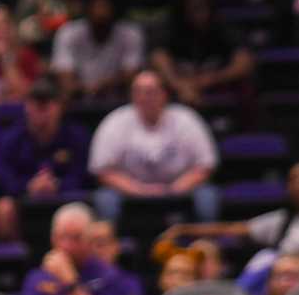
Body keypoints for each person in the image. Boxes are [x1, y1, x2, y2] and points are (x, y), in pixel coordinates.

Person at [162, 159, 299, 282]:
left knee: (267, 260)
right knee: (264, 259)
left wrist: (283, 267)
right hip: (291, 281)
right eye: (293, 180)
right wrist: (184, 229)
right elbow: (233, 229)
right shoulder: (284, 219)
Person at [89, 70, 221, 223]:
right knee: (105, 198)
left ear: (164, 94)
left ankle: (204, 240)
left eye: (150, 92)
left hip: (180, 188)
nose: (143, 97)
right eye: (137, 91)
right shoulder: (115, 122)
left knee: (207, 195)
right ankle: (112, 243)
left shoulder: (187, 120)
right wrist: (139, 190)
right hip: (129, 191)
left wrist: (174, 189)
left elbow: (205, 165)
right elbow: (103, 171)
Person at [0, 75, 90, 243]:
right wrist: (28, 186)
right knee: (4, 207)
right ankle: (13, 261)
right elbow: (1, 176)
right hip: (24, 200)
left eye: (47, 106)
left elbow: (83, 174)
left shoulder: (76, 136)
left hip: (66, 198)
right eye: (36, 106)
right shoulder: (12, 138)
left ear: (59, 107)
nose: (41, 113)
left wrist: (57, 185)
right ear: (27, 107)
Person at [150, 0, 253, 108]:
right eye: (194, 9)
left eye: (203, 8)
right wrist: (179, 85)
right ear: (184, 10)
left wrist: (211, 79)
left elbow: (245, 62)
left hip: (215, 84)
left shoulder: (221, 27)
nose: (200, 14)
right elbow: (157, 58)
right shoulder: (171, 28)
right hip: (178, 85)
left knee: (247, 86)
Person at [48, 0, 143, 100]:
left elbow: (131, 77)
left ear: (115, 8)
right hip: (77, 102)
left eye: (105, 5)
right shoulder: (68, 33)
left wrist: (102, 86)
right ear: (87, 8)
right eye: (97, 5)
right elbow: (66, 81)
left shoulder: (130, 33)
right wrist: (87, 89)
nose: (101, 11)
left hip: (118, 102)